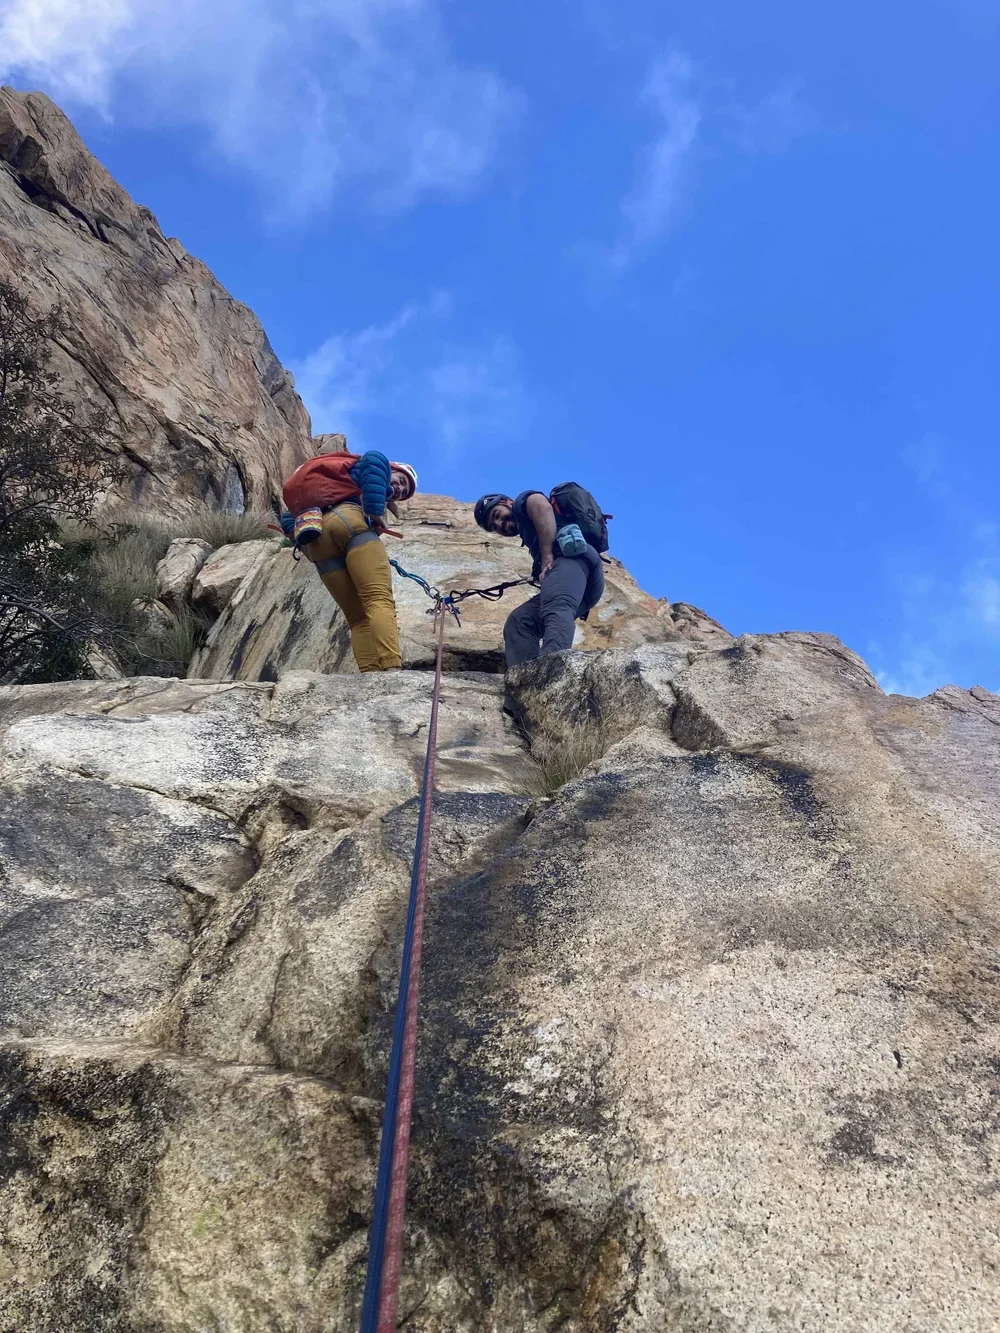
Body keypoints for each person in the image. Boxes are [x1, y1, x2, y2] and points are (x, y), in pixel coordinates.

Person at [281, 449, 417, 672]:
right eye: (401, 481)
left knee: (357, 618)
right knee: (378, 600)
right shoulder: (375, 462)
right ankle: (392, 668)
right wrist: (375, 513)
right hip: (351, 522)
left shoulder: (322, 488)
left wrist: (304, 543)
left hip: (317, 538)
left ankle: (370, 671)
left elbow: (287, 518)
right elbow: (374, 461)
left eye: (403, 493)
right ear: (392, 468)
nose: (400, 489)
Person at [473, 487, 605, 666]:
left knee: (555, 605)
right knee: (520, 621)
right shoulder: (529, 533)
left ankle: (551, 666)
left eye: (497, 515)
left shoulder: (521, 502)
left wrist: (547, 556)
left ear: (508, 503)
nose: (499, 525)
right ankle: (526, 676)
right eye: (494, 527)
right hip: (580, 586)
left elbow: (540, 504)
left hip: (575, 560)